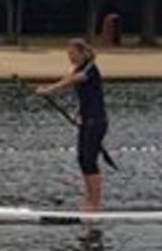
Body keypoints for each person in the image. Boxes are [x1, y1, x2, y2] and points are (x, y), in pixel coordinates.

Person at [34, 38, 107, 212]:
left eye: (73, 53)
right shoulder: (77, 68)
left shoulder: (90, 67)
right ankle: (88, 201)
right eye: (68, 54)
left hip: (97, 122)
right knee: (82, 159)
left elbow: (74, 80)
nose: (70, 57)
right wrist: (48, 89)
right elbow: (69, 80)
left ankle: (95, 205)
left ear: (83, 53)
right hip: (85, 121)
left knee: (90, 160)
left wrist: (50, 90)